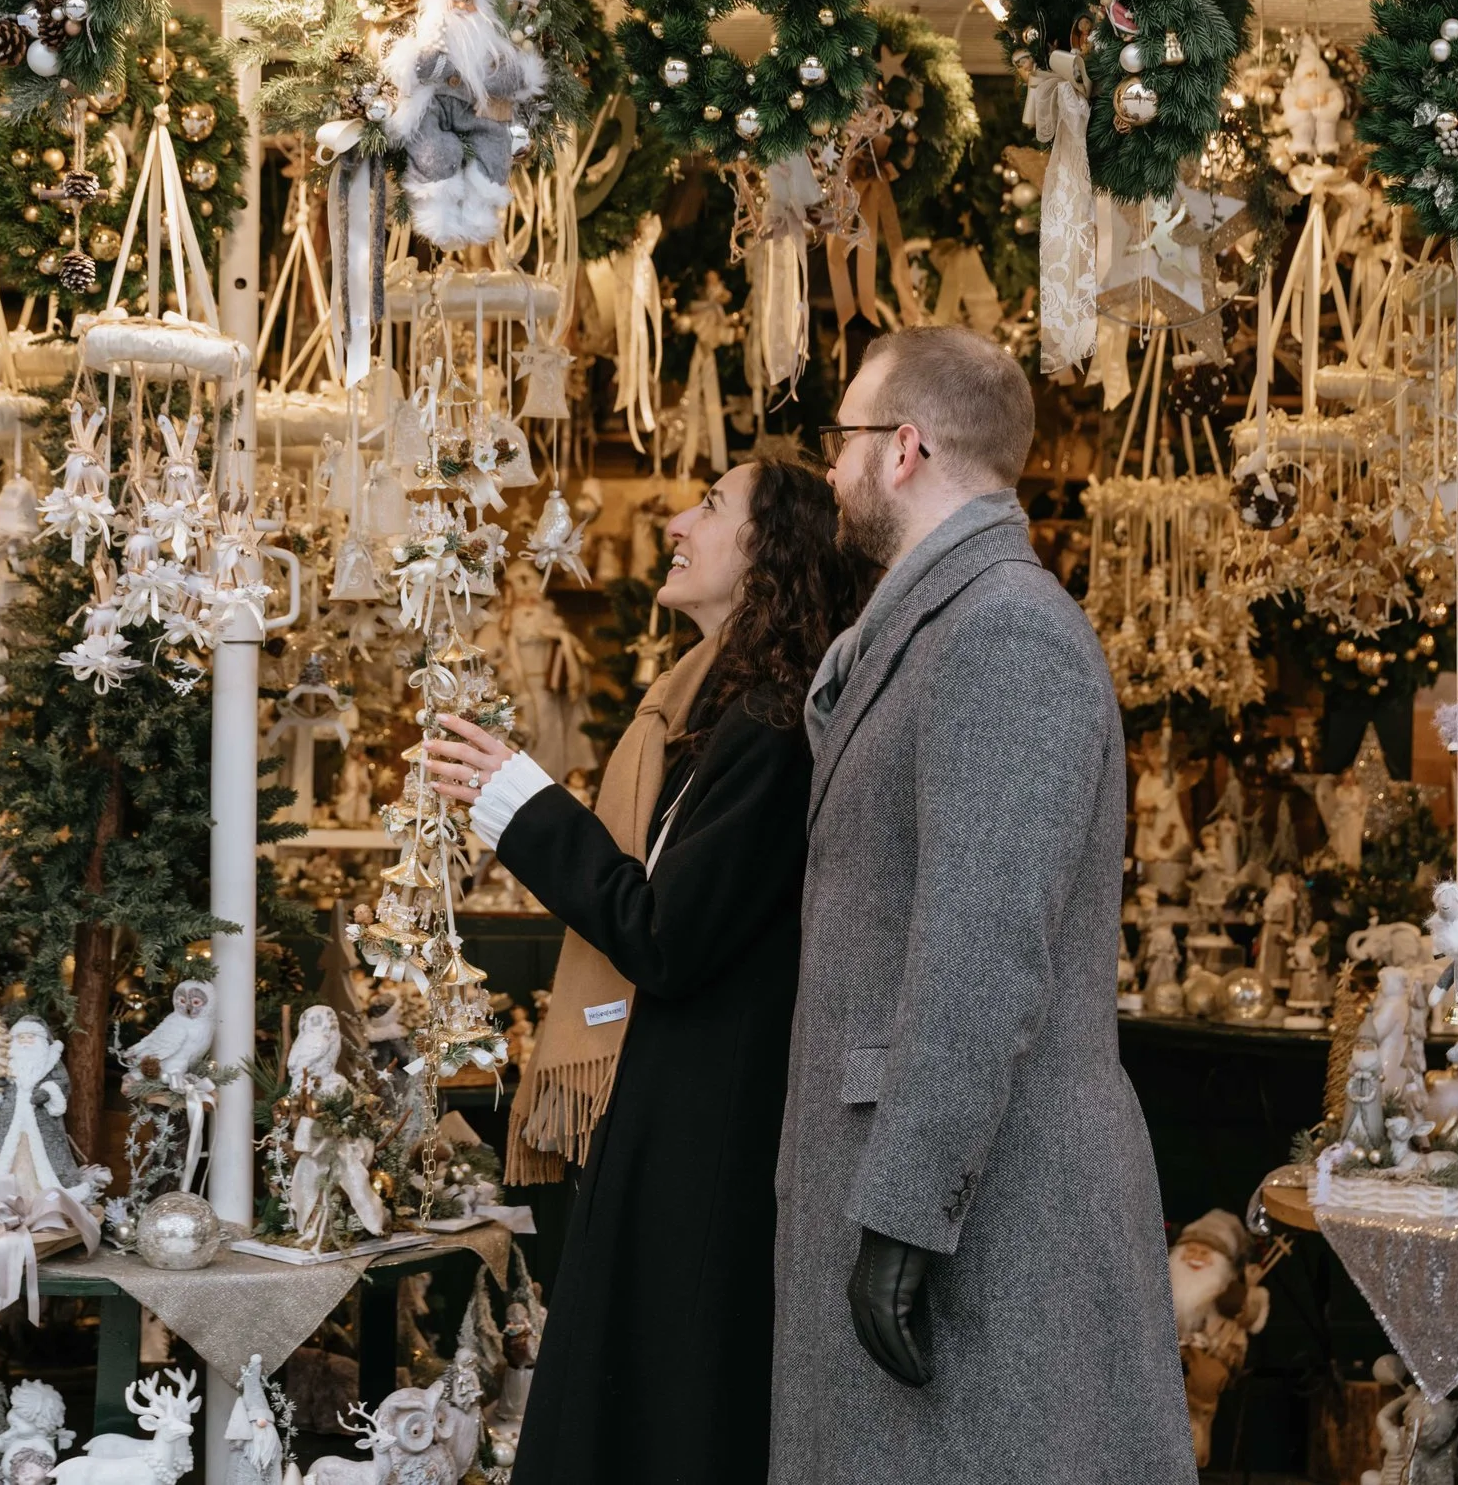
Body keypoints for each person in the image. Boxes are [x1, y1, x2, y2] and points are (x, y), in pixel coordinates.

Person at [776, 326, 1191, 1482]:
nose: (830, 468)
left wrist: (908, 1209)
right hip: (924, 1190)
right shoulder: (929, 628)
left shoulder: (1002, 630)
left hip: (983, 1218)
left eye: (842, 440)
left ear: (903, 448)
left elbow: (982, 948)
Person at [425, 458, 864, 1485]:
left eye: (710, 504)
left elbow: (666, 934)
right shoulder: (708, 712)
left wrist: (520, 804)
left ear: (770, 557)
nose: (674, 517)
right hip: (677, 1115)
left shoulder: (769, 725)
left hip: (710, 1135)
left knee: (667, 1409)